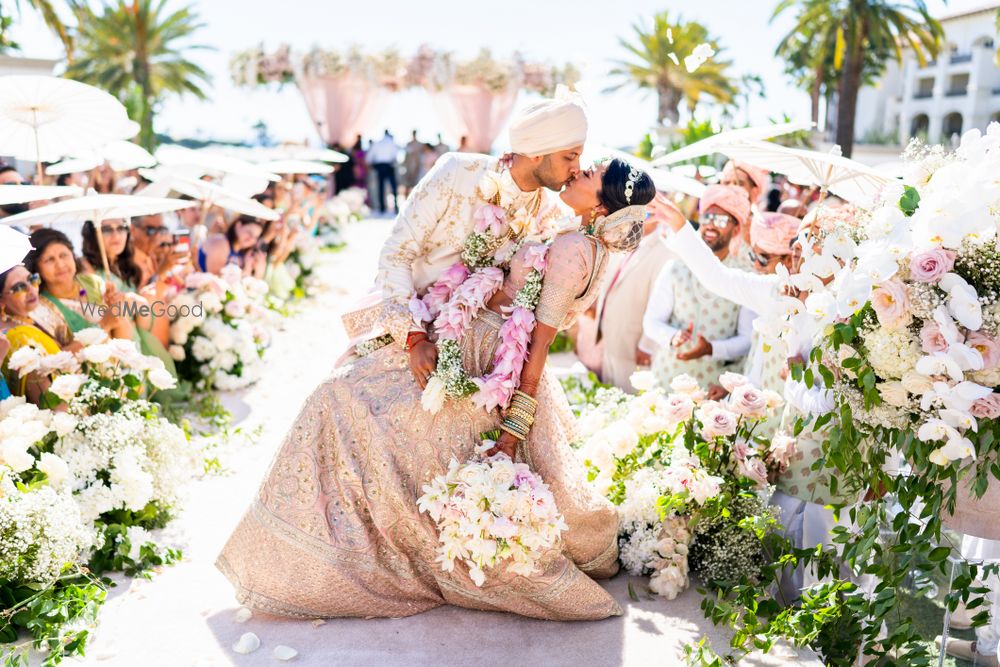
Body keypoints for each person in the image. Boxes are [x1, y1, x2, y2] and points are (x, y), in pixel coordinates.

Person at [217, 158, 656, 621]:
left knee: (346, 404)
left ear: (603, 203)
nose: (577, 170)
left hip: (488, 362)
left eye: (588, 173)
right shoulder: (572, 233)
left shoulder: (574, 249)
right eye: (579, 162)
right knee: (349, 406)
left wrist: (514, 426)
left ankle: (345, 555)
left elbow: (541, 341)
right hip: (470, 335)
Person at [642, 185, 754, 394]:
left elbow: (748, 340)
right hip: (668, 381)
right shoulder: (676, 267)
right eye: (707, 217)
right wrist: (672, 336)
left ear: (736, 229)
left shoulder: (745, 277)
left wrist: (712, 349)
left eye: (721, 220)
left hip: (713, 390)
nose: (711, 225)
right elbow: (651, 322)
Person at [593, 177, 674, 391]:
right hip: (610, 338)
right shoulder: (624, 238)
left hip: (635, 348)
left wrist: (647, 344)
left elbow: (663, 303)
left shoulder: (666, 252)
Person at [24, 229, 134, 346]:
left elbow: (125, 341)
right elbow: (60, 357)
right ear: (36, 268)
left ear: (73, 255)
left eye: (64, 255)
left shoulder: (93, 283)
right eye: (49, 260)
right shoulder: (41, 308)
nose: (60, 265)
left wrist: (116, 308)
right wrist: (103, 325)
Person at [0, 266, 61, 401]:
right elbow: (49, 403)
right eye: (19, 287)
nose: (31, 289)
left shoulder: (25, 321)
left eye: (32, 279)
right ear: (1, 300)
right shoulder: (20, 337)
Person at [196, 216, 267, 278]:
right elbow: (215, 278)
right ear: (238, 226)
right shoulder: (220, 242)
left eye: (256, 237)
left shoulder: (243, 254)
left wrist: (258, 270)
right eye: (249, 233)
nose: (251, 239)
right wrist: (246, 270)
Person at [368, 130, 400, 214]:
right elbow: (395, 155)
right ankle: (396, 206)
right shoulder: (391, 142)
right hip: (389, 166)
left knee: (381, 187)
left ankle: (382, 208)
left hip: (380, 166)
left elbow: (369, 157)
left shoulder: (377, 143)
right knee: (393, 187)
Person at [402, 130, 424, 194]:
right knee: (407, 184)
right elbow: (406, 156)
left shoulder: (420, 144)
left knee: (417, 184)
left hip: (417, 166)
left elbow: (420, 156)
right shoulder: (408, 144)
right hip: (409, 166)